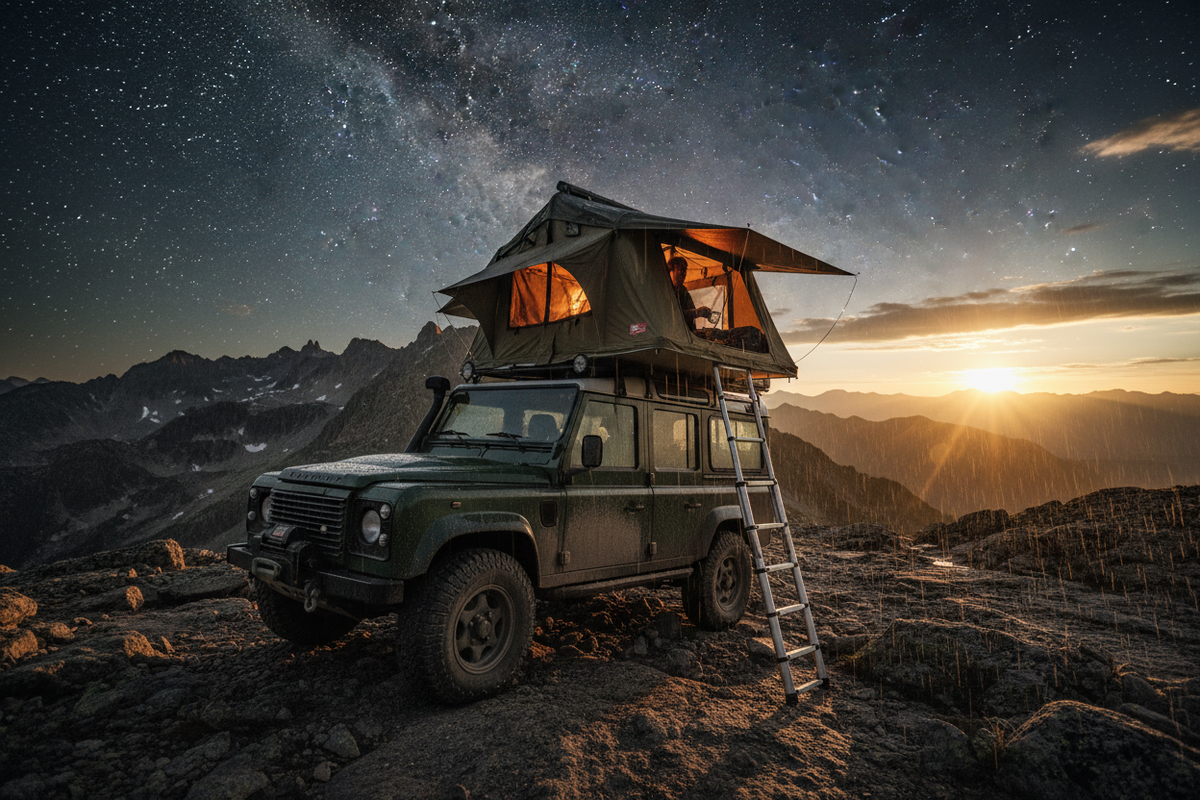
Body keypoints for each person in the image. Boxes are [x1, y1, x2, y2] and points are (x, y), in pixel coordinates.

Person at [667, 256, 711, 327]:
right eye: (680, 269)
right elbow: (670, 315)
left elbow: (691, 309)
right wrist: (696, 312)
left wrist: (699, 312)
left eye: (685, 270)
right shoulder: (665, 290)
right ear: (671, 271)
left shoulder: (683, 290)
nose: (683, 273)